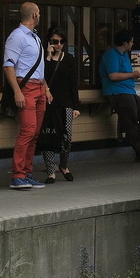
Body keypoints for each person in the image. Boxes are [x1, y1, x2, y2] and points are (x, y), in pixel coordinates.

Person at [2, 2, 51, 189]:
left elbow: (39, 67)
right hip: (26, 88)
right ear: (35, 16)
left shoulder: (35, 38)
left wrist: (46, 89)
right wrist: (17, 91)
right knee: (28, 131)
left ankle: (27, 173)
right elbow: (8, 65)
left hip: (38, 88)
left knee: (35, 133)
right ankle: (18, 175)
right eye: (38, 13)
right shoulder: (17, 37)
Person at [99, 28, 140, 162]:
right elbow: (113, 75)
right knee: (131, 121)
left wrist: (132, 76)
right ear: (125, 42)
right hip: (117, 92)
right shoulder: (111, 55)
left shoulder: (124, 56)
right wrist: (132, 75)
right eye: (131, 42)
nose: (132, 44)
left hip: (129, 91)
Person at [41, 28, 80, 183]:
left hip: (66, 103)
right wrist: (49, 58)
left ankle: (63, 165)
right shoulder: (43, 60)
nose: (58, 45)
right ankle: (51, 171)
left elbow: (73, 84)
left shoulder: (69, 59)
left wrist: (76, 106)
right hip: (48, 103)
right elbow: (43, 78)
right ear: (49, 42)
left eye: (60, 42)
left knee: (67, 136)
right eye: (54, 42)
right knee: (48, 135)